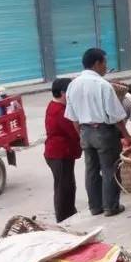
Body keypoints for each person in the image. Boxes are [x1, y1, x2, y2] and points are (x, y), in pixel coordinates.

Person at [65, 48, 131, 217]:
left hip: (85, 131)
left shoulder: (73, 85)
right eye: (104, 63)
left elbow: (72, 117)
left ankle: (95, 207)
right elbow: (116, 116)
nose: (106, 67)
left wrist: (81, 133)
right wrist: (126, 135)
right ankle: (111, 206)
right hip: (103, 131)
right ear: (97, 63)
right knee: (110, 168)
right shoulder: (103, 85)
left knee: (91, 169)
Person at [44, 78, 81, 222]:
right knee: (63, 187)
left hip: (62, 153)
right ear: (62, 93)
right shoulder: (59, 111)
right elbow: (73, 131)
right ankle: (63, 217)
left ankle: (70, 212)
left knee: (68, 185)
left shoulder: (56, 106)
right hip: (58, 154)